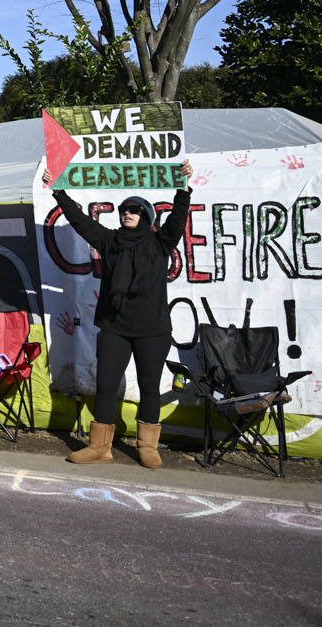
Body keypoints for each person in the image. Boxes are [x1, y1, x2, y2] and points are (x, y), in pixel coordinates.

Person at [46, 158, 193, 469]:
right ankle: (100, 447)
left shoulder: (160, 242)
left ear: (148, 217)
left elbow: (179, 219)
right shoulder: (110, 241)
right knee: (106, 384)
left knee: (150, 386)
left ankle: (147, 446)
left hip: (152, 330)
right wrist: (58, 192)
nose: (128, 213)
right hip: (114, 327)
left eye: (136, 210)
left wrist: (183, 188)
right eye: (125, 209)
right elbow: (81, 222)